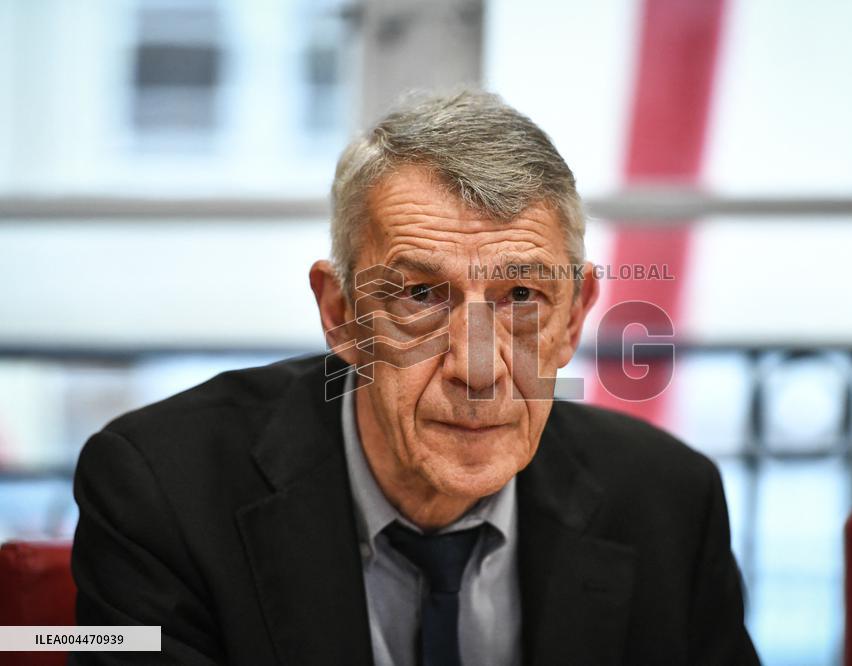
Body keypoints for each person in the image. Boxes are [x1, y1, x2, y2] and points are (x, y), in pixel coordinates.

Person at [71, 89, 759, 665]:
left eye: (522, 297)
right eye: (421, 297)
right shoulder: (160, 493)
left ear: (574, 319)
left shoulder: (670, 504)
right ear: (341, 315)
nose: (478, 369)